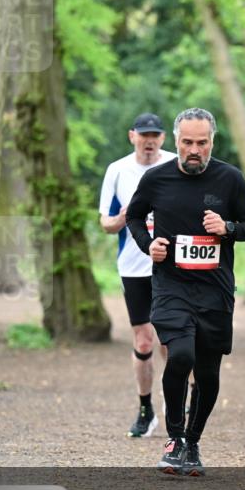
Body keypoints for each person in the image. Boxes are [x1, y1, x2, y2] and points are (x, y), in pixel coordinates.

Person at [126, 108, 245, 476]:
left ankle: (193, 440)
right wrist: (148, 244)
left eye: (202, 143)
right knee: (180, 353)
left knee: (208, 372)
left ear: (211, 142)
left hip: (215, 289)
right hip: (171, 285)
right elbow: (135, 218)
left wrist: (228, 227)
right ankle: (174, 439)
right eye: (187, 142)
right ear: (176, 141)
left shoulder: (229, 179)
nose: (194, 150)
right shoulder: (157, 180)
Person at [98, 113, 176, 438]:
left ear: (163, 137)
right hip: (133, 266)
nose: (149, 140)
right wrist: (126, 216)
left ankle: (176, 404)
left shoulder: (175, 165)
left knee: (171, 341)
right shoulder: (117, 170)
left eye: (155, 134)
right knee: (144, 339)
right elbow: (105, 223)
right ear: (132, 136)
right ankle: (146, 409)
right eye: (144, 135)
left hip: (172, 264)